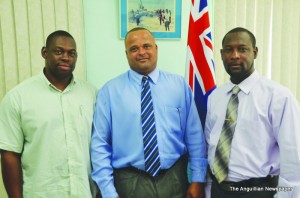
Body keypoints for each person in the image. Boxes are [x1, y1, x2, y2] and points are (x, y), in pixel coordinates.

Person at [91, 27, 207, 198]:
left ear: (156, 49)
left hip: (174, 178)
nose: (141, 52)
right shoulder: (109, 92)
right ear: (126, 54)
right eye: (134, 48)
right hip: (129, 181)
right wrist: (108, 192)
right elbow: (99, 145)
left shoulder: (179, 86)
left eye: (146, 46)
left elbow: (195, 136)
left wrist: (198, 179)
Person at [205, 27, 300, 198]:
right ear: (221, 54)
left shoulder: (278, 96)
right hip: (218, 190)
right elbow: (210, 145)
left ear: (255, 52)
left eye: (242, 49)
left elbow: (293, 155)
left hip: (258, 190)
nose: (234, 55)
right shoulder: (216, 96)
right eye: (229, 50)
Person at [0, 30, 97, 198]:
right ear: (45, 52)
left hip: (85, 192)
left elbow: (101, 147)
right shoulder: (18, 97)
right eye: (59, 51)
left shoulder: (91, 94)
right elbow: (9, 154)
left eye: (71, 53)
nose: (66, 57)